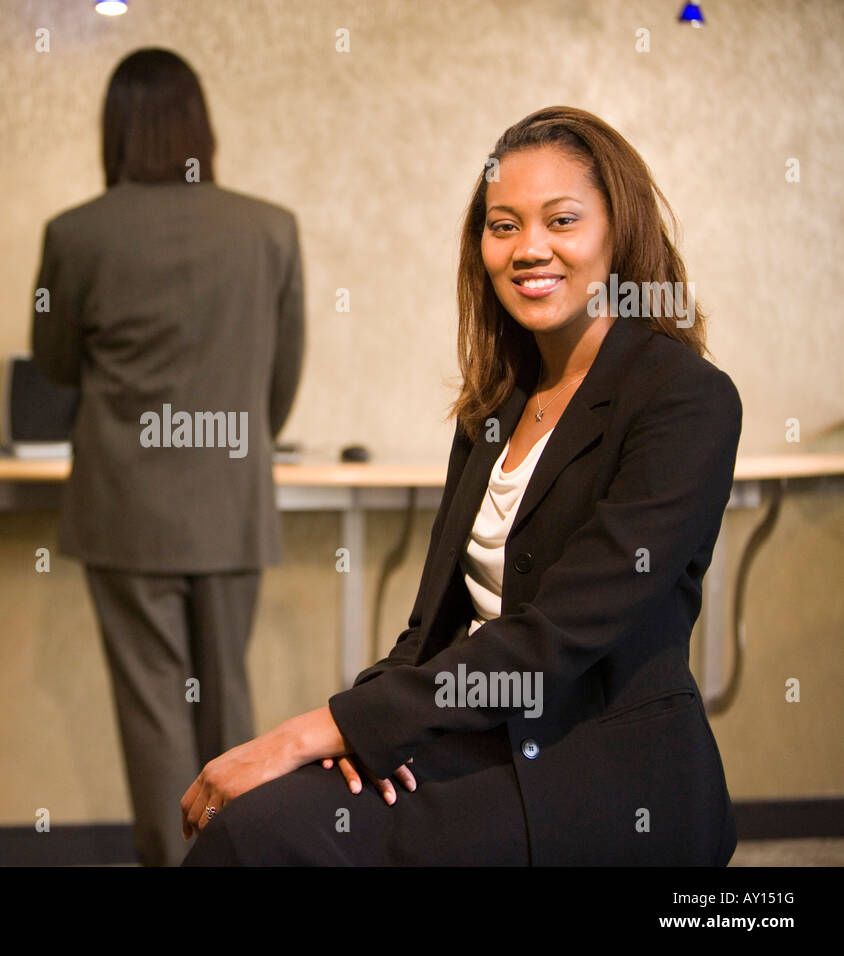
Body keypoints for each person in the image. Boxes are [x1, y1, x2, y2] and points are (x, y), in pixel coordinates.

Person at [181, 105, 741, 866]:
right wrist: (364, 734)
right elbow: (429, 627)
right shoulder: (496, 404)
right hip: (474, 737)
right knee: (256, 822)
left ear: (619, 230)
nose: (528, 248)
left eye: (562, 220)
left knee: (259, 837)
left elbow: (557, 637)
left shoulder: (685, 398)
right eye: (502, 225)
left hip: (592, 767)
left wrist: (323, 728)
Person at [31, 48, 305, 866]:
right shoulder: (269, 227)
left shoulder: (76, 233)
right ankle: (238, 862)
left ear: (116, 129)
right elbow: (279, 381)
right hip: (230, 498)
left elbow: (50, 360)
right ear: (199, 125)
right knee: (228, 696)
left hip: (124, 507)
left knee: (154, 708)